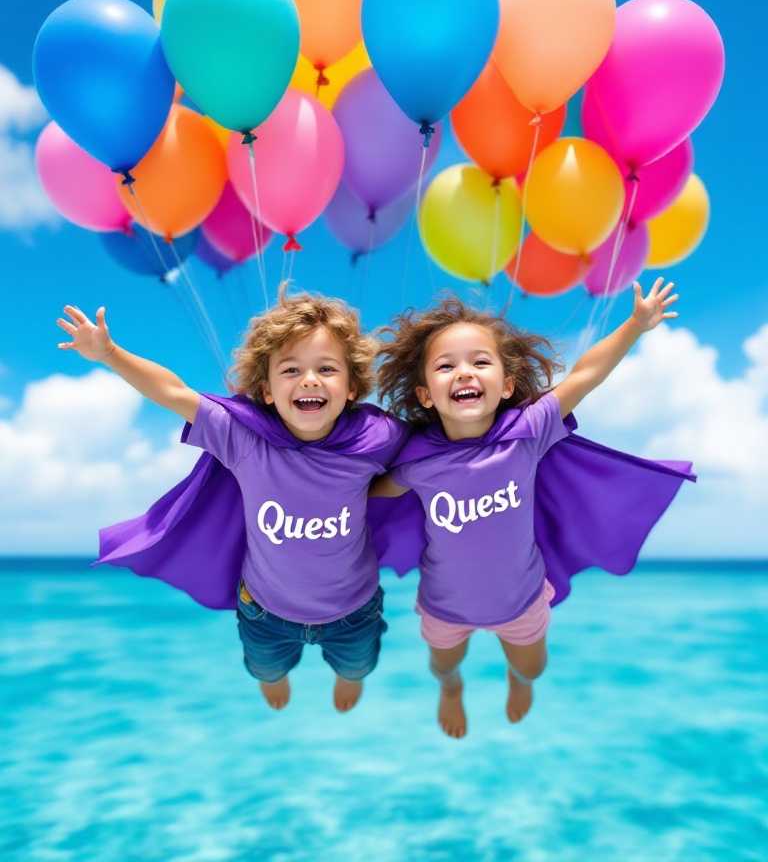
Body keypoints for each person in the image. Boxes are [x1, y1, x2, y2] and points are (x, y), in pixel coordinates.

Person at [57, 286, 407, 714]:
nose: (310, 379)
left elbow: (437, 447)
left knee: (358, 668)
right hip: (264, 612)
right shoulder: (243, 438)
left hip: (355, 610)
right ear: (266, 390)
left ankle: (347, 678)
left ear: (352, 388)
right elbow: (174, 392)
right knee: (263, 669)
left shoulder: (378, 438)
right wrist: (110, 354)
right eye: (291, 369)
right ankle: (273, 678)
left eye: (327, 369)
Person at [371, 278, 681, 738]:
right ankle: (452, 689)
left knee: (531, 668)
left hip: (521, 601)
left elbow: (583, 376)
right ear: (424, 395)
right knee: (443, 665)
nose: (464, 373)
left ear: (507, 383)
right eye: (445, 366)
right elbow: (371, 495)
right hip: (444, 605)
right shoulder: (418, 461)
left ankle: (518, 682)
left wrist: (635, 325)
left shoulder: (528, 432)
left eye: (480, 362)